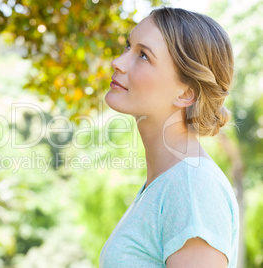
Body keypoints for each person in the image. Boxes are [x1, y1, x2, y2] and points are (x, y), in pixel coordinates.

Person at [100, 6, 239, 268]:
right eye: (128, 47)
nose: (117, 62)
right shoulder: (167, 182)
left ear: (185, 94)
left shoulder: (192, 187)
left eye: (143, 56)